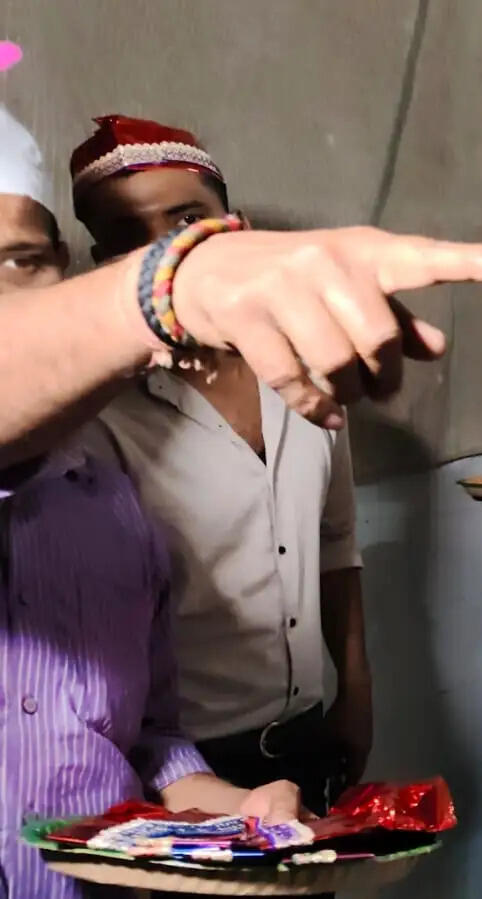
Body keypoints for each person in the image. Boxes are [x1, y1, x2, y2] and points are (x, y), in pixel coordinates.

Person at [0, 104, 302, 899]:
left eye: (19, 262)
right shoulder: (118, 429)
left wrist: (235, 805)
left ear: (62, 272)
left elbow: (149, 740)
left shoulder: (104, 506)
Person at [70, 115, 371, 831]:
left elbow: (334, 541)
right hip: (177, 770)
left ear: (234, 230)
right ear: (103, 261)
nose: (165, 254)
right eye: (129, 235)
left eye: (187, 221)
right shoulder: (93, 418)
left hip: (307, 737)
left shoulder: (306, 368)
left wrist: (356, 692)